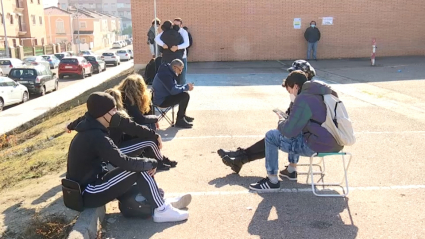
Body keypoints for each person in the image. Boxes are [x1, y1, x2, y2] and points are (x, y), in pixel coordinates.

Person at [66, 92, 190, 222]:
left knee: (139, 169)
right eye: (113, 110)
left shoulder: (92, 126)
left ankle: (161, 203)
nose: (116, 112)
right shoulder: (96, 136)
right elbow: (123, 162)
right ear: (102, 113)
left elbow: (130, 127)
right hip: (88, 192)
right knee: (139, 168)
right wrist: (151, 162)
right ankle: (162, 210)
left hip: (93, 184)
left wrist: (147, 157)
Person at [248, 71, 342, 192]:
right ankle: (291, 170)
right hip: (336, 143)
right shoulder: (325, 93)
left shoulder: (303, 98)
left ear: (296, 86)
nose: (290, 95)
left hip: (317, 146)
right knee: (299, 130)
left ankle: (272, 181)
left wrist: (281, 121)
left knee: (271, 136)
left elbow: (288, 131)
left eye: (289, 91)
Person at [217, 60, 317, 174]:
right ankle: (240, 158)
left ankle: (242, 158)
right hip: (304, 135)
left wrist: (283, 121)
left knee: (273, 137)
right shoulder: (303, 92)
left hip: (307, 139)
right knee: (275, 136)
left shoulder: (307, 96)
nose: (289, 76)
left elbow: (296, 124)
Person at [66, 88, 177, 170]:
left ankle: (159, 160)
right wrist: (155, 135)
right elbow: (135, 128)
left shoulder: (96, 116)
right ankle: (160, 162)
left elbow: (80, 120)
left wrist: (69, 126)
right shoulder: (117, 118)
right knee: (150, 141)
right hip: (114, 151)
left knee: (147, 137)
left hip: (110, 150)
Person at [152, 59, 194, 128]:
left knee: (184, 94)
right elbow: (173, 90)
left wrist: (185, 86)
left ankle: (182, 116)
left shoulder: (167, 71)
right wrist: (186, 87)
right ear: (175, 67)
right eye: (180, 70)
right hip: (161, 101)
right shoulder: (165, 75)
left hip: (164, 97)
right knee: (185, 96)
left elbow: (174, 86)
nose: (180, 73)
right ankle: (180, 120)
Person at [155, 17, 190, 85]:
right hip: (169, 58)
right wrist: (163, 44)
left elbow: (187, 43)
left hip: (182, 57)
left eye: (177, 25)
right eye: (174, 24)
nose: (175, 26)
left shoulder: (183, 32)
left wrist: (177, 47)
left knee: (181, 76)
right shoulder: (168, 31)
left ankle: (181, 91)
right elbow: (157, 38)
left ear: (181, 25)